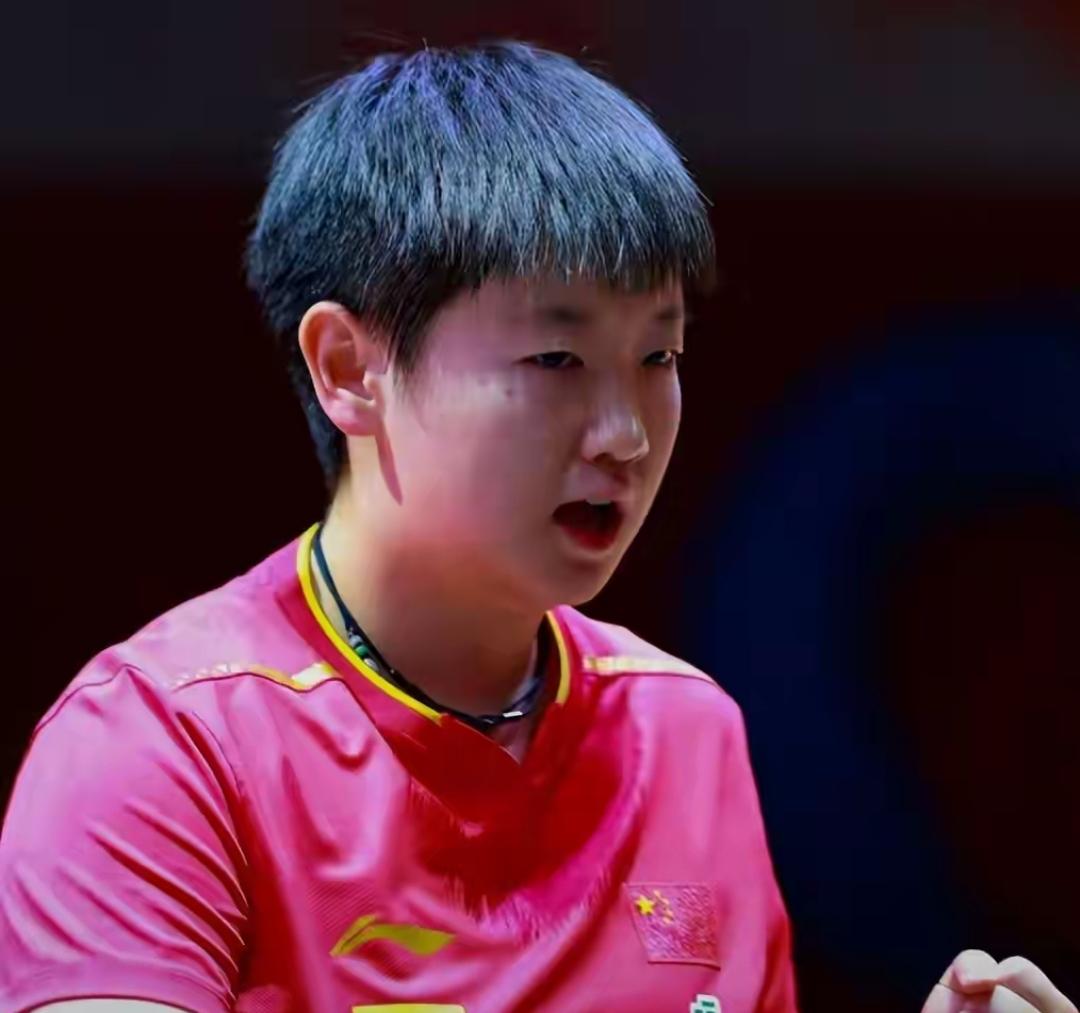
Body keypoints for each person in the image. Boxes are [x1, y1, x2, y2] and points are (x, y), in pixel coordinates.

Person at [0, 42, 1073, 1013]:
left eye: (658, 356)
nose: (625, 433)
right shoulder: (158, 747)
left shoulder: (685, 729)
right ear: (349, 368)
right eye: (556, 358)